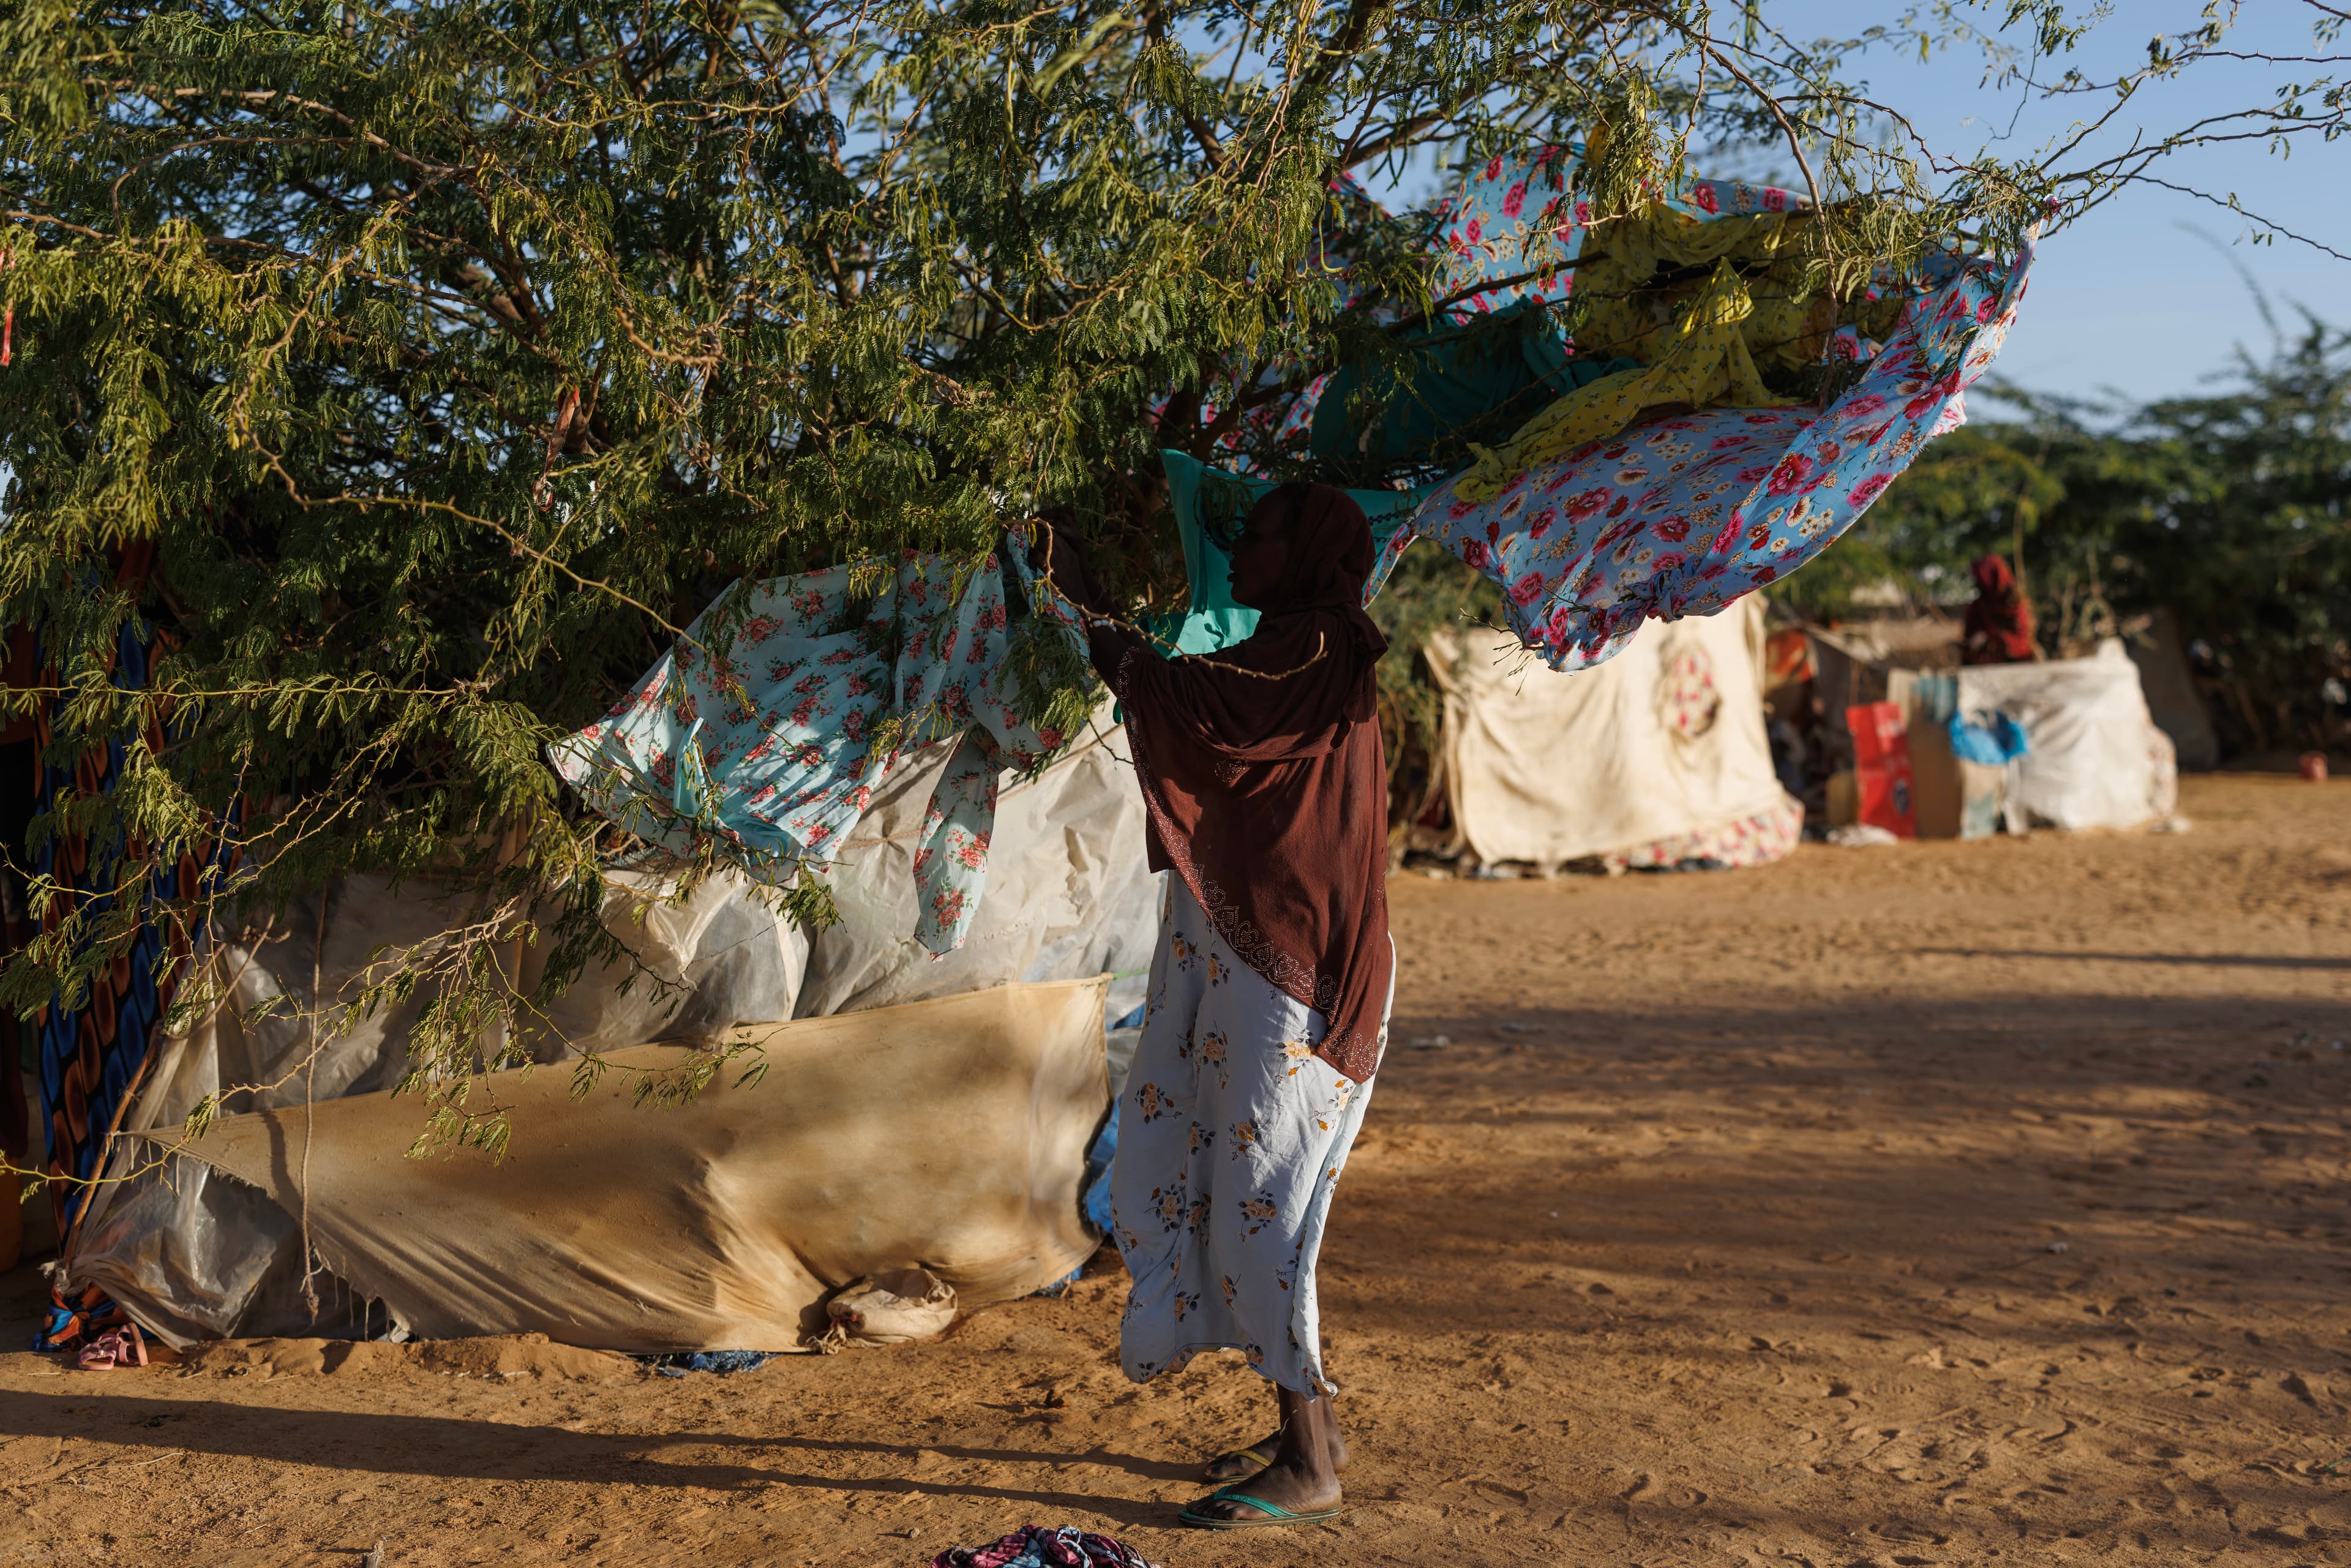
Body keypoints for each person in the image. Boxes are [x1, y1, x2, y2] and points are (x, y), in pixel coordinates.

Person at [1032, 484, 1395, 1531]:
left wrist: (1085, 603)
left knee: (1266, 1200)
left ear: (1308, 551)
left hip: (1293, 977)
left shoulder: (1315, 651)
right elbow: (1198, 703)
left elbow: (1192, 706)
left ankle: (1310, 1460)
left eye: (1260, 535)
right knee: (1246, 1188)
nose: (1236, 553)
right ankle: (1307, 1431)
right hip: (1260, 962)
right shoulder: (1297, 651)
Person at [1961, 553, 2036, 665]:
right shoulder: (1979, 605)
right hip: (1985, 665)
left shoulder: (2016, 603)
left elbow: (2022, 640)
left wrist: (1991, 636)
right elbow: (1969, 637)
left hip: (2018, 662)